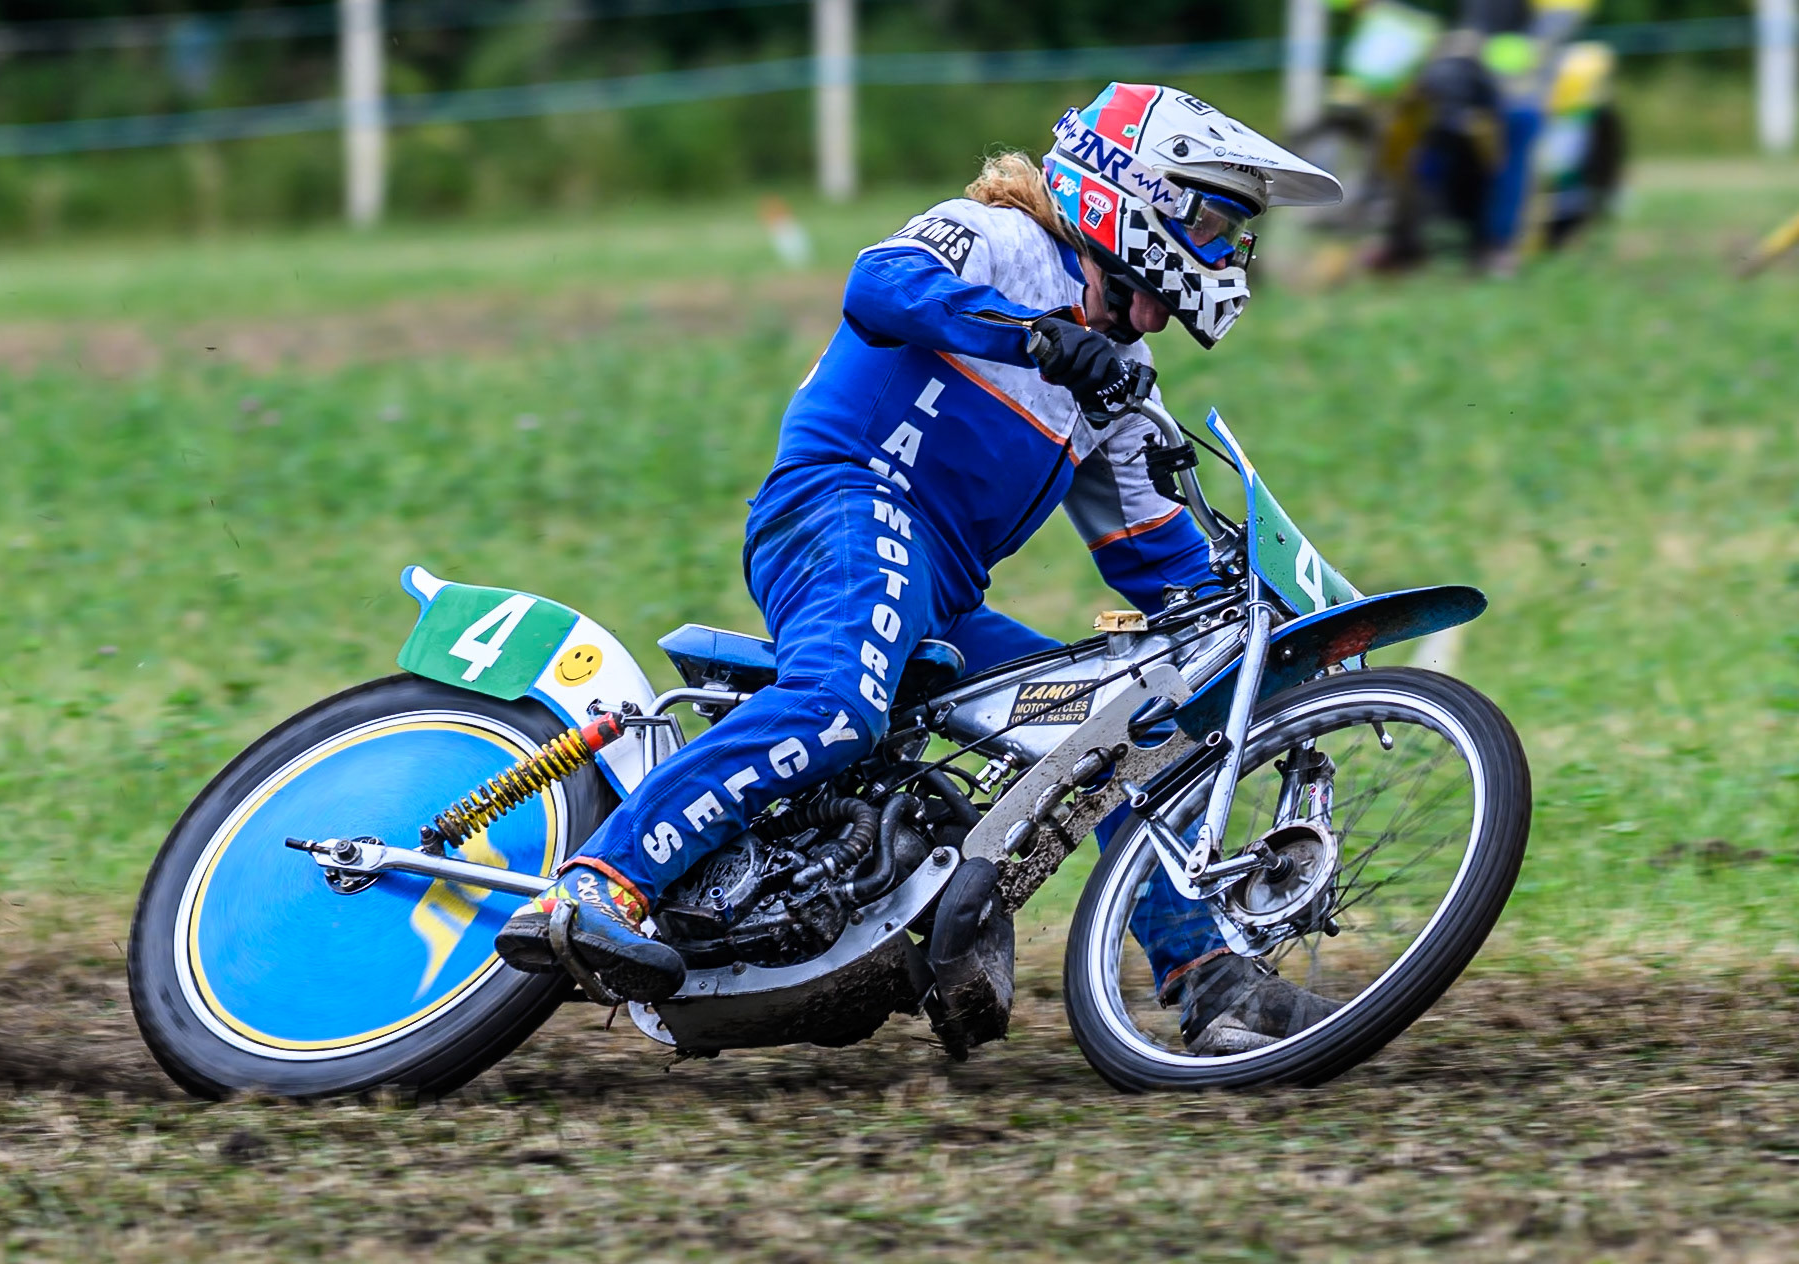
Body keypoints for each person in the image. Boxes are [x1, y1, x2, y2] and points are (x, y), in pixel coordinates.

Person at [497, 84, 1345, 1054]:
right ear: (1133, 191)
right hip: (841, 505)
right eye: (1211, 224)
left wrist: (1271, 624)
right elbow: (879, 285)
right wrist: (1034, 337)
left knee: (1119, 724)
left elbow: (1163, 568)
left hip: (938, 595)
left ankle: (1208, 978)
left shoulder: (1113, 384)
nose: (1222, 256)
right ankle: (598, 885)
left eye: (1235, 239)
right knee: (837, 708)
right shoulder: (1000, 240)